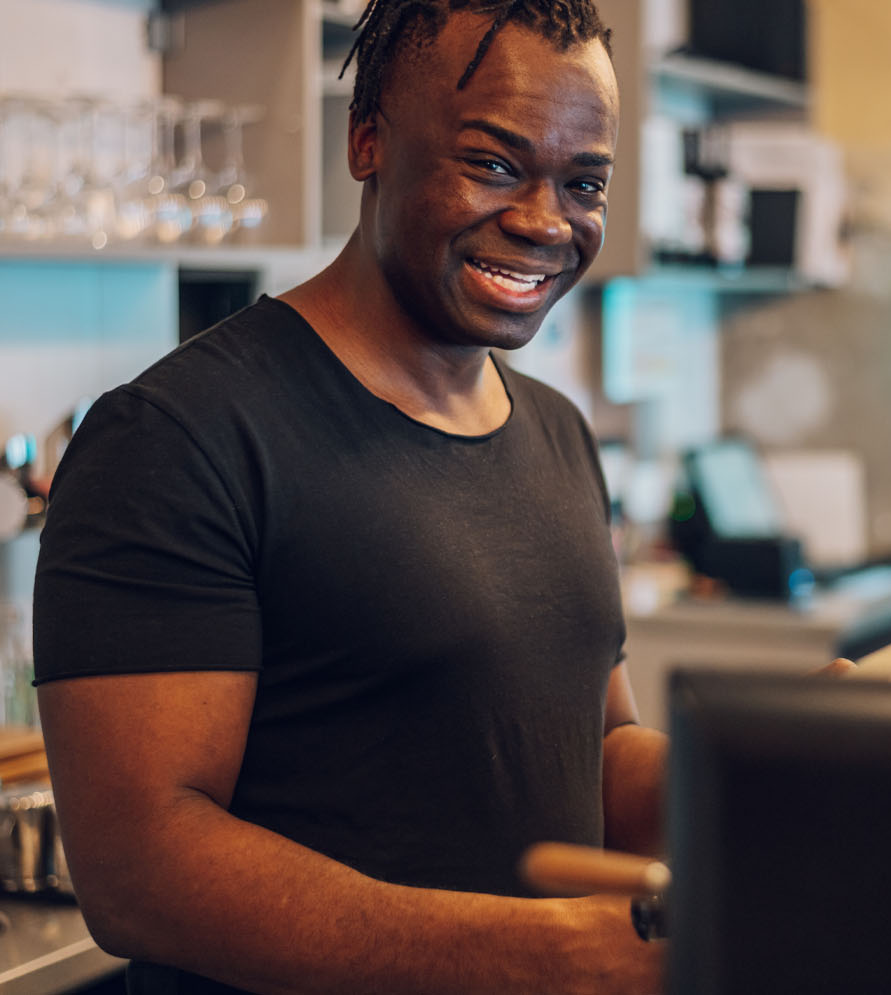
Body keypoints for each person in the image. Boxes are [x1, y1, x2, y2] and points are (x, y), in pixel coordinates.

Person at [31, 2, 670, 992]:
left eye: (582, 181)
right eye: (493, 163)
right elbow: (138, 873)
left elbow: (587, 750)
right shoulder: (175, 437)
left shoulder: (556, 431)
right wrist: (543, 953)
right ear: (365, 140)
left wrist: (756, 787)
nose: (546, 221)